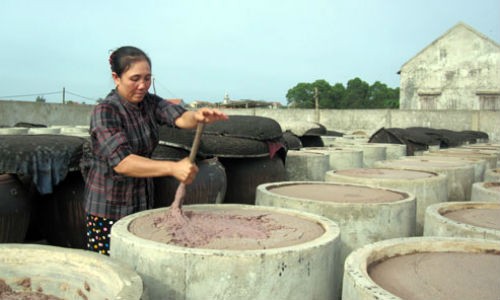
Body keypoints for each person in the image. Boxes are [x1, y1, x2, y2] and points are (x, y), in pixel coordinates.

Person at [82, 46, 228, 255]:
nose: (142, 85)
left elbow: (178, 117)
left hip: (141, 201)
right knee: (112, 266)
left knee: (139, 263)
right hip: (109, 208)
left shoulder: (149, 103)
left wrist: (196, 117)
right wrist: (173, 168)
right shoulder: (105, 111)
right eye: (135, 78)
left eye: (147, 78)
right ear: (116, 78)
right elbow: (123, 163)